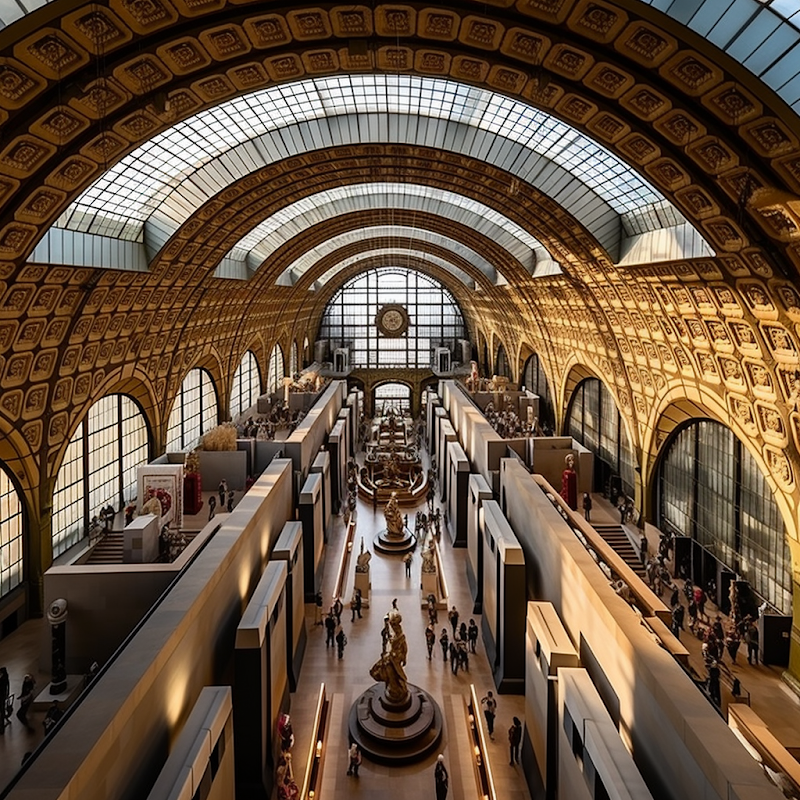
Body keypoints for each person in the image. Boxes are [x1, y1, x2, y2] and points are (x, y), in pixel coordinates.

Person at [0, 667, 8, 734]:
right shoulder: (5, 679)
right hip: (2, 696)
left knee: (1, 713)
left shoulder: (3, 679)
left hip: (1, 697)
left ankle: (1, 729)